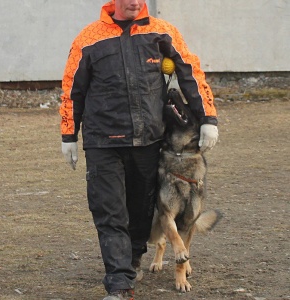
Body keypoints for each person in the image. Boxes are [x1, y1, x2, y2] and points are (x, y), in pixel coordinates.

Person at [60, 0, 218, 299]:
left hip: (148, 141)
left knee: (141, 212)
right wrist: (69, 134)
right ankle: (119, 284)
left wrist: (208, 118)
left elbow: (190, 72)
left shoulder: (162, 32)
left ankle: (131, 261)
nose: (135, 1)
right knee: (109, 212)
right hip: (102, 142)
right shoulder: (88, 38)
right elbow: (72, 88)